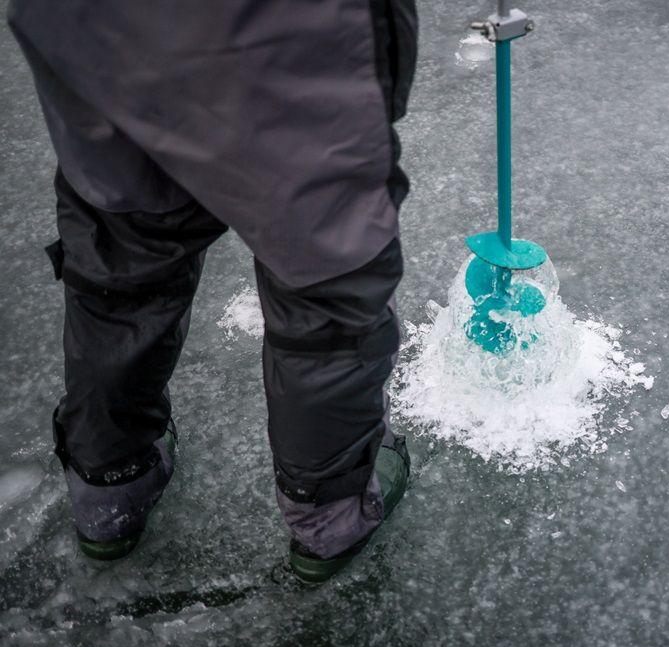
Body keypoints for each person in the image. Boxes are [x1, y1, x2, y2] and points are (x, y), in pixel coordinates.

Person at [7, 0, 418, 583]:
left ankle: (109, 491)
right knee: (324, 288)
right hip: (277, 40)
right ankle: (330, 517)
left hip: (92, 27)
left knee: (122, 257)